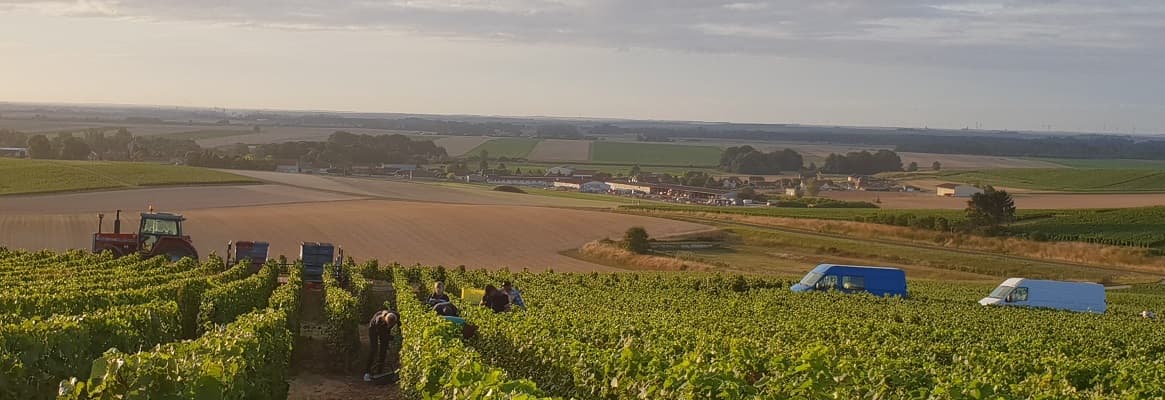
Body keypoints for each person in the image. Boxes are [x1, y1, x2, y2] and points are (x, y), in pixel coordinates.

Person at [364, 309, 401, 382]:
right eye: (389, 324)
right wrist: (394, 338)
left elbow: (400, 326)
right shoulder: (379, 320)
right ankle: (367, 372)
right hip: (373, 329)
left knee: (383, 349)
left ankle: (379, 371)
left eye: (392, 325)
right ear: (385, 320)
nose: (390, 326)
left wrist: (400, 335)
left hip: (384, 330)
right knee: (374, 349)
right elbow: (384, 336)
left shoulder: (396, 316)